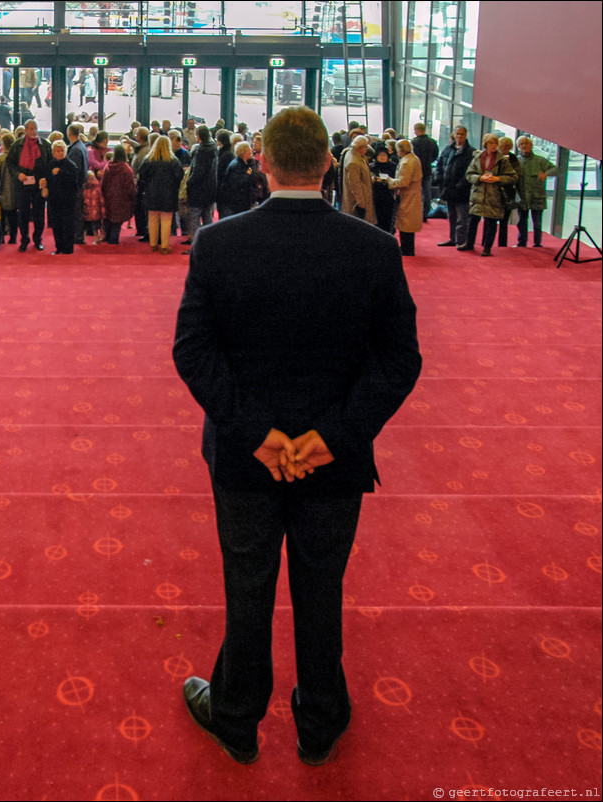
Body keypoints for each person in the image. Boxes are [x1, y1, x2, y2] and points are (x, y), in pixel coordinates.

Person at [174, 105, 421, 769]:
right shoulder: (371, 248)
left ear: (264, 161)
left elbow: (193, 353)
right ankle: (319, 723)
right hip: (332, 463)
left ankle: (236, 719)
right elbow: (400, 361)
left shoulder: (218, 245)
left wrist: (258, 436)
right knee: (321, 590)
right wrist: (330, 438)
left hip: (244, 460)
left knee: (247, 589)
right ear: (328, 164)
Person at [463, 133, 517, 257]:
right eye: (491, 143)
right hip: (478, 193)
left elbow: (513, 177)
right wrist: (480, 178)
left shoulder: (502, 160)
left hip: (494, 194)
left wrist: (497, 178)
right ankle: (469, 243)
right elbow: (469, 174)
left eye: (495, 143)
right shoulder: (477, 157)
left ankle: (487, 247)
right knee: (473, 221)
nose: (493, 146)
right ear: (485, 144)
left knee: (491, 222)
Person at [6, 119, 52, 253]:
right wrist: (17, 174)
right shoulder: (17, 145)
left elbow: (50, 163)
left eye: (35, 128)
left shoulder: (45, 145)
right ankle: (24, 240)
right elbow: (10, 163)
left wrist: (45, 178)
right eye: (31, 129)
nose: (34, 131)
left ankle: (38, 239)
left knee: (39, 214)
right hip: (23, 184)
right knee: (23, 214)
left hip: (39, 184)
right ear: (25, 130)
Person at [139, 134, 185, 254]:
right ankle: (164, 245)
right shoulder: (173, 160)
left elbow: (142, 176)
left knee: (152, 219)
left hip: (151, 193)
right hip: (168, 194)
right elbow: (179, 176)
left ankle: (153, 244)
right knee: (166, 220)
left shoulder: (148, 160)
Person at [514, 136, 558, 247]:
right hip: (522, 197)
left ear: (531, 145)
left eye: (526, 143)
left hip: (537, 197)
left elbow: (556, 169)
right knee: (522, 222)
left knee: (537, 223)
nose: (524, 146)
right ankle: (521, 243)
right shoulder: (516, 161)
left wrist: (546, 174)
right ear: (518, 147)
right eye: (521, 144)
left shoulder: (540, 160)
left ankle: (537, 243)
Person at [436, 125, 475, 247]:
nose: (459, 136)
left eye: (462, 134)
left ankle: (461, 241)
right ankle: (453, 239)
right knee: (451, 216)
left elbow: (470, 171)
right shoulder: (448, 149)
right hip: (448, 188)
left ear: (466, 135)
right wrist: (439, 178)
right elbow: (440, 164)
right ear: (454, 134)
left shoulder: (470, 151)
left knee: (462, 218)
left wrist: (460, 185)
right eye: (457, 134)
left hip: (462, 190)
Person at [41, 140, 80, 255]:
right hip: (54, 199)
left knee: (67, 224)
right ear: (53, 152)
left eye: (62, 150)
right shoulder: (50, 165)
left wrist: (60, 173)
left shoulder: (71, 165)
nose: (60, 153)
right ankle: (59, 247)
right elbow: (48, 179)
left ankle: (68, 248)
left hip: (67, 200)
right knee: (56, 224)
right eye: (57, 151)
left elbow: (73, 181)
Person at [389, 139, 422, 256]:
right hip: (413, 195)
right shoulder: (414, 158)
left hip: (408, 195)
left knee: (406, 222)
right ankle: (407, 247)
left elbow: (403, 182)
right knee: (408, 223)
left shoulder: (407, 162)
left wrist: (389, 181)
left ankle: (407, 249)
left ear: (401, 150)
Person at [185, 126, 219, 238]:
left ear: (198, 136)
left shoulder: (200, 151)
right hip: (210, 188)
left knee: (194, 216)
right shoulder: (214, 149)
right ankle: (208, 241)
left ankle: (196, 243)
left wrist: (189, 183)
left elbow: (197, 173)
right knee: (207, 215)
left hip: (198, 190)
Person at [100, 145, 136, 244]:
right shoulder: (126, 169)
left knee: (108, 218)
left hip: (109, 196)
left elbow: (103, 183)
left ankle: (106, 237)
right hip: (122, 198)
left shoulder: (108, 166)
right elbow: (130, 186)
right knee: (117, 221)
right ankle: (113, 240)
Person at [0, 131, 19, 244]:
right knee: (13, 216)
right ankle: (13, 237)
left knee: (1, 216)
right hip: (15, 191)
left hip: (1, 191)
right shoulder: (18, 157)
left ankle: (1, 237)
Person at [341, 135, 375, 226]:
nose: (366, 149)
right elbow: (355, 184)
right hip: (357, 202)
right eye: (365, 147)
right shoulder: (353, 162)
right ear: (359, 147)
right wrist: (361, 203)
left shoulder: (357, 156)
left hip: (363, 196)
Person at [218, 142, 258, 219]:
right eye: (249, 149)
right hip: (236, 201)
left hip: (244, 200)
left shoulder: (247, 163)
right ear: (244, 153)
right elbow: (238, 183)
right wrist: (248, 173)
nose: (251, 151)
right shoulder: (236, 166)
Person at [66, 123, 90, 244]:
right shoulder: (81, 146)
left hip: (76, 187)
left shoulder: (75, 150)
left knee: (76, 213)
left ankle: (77, 237)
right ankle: (78, 236)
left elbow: (74, 171)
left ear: (69, 133)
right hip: (81, 184)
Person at [495, 137, 521, 247]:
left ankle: (502, 244)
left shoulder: (514, 159)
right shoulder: (494, 157)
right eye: (502, 147)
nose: (504, 149)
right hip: (494, 191)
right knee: (491, 220)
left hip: (508, 193)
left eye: (506, 147)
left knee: (504, 221)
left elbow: (516, 175)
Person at [368, 142, 397, 233]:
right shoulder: (371, 166)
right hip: (375, 195)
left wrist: (387, 180)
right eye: (380, 155)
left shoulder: (393, 166)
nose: (382, 157)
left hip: (389, 195)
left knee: (388, 217)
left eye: (384, 155)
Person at [83, 171, 104, 245]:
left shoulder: (97, 189)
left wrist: (103, 211)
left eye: (92, 178)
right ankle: (83, 239)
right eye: (89, 179)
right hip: (86, 211)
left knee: (96, 227)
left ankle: (97, 238)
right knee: (84, 226)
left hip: (96, 212)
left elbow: (101, 201)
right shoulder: (84, 189)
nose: (91, 181)